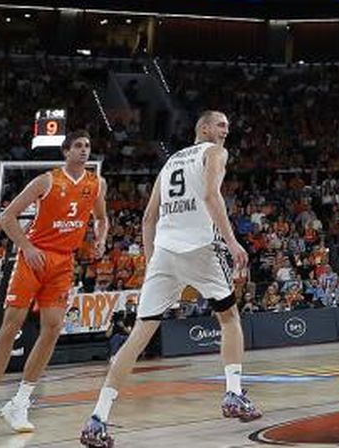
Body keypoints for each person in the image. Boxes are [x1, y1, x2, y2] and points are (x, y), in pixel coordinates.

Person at [78, 112, 258, 448]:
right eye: (221, 125)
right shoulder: (215, 153)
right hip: (200, 247)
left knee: (138, 337)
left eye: (227, 126)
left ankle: (97, 419)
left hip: (163, 252)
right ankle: (233, 393)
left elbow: (149, 217)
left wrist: (152, 262)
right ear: (203, 127)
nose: (226, 130)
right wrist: (232, 242)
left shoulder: (171, 161)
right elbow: (210, 197)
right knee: (229, 318)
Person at [0, 132, 108, 437]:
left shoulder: (96, 184)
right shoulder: (46, 181)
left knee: (54, 327)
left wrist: (100, 238)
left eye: (87, 146)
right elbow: (8, 217)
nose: (84, 151)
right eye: (78, 146)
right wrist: (27, 247)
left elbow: (101, 218)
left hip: (64, 262)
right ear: (66, 151)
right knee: (10, 327)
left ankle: (19, 403)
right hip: (33, 258)